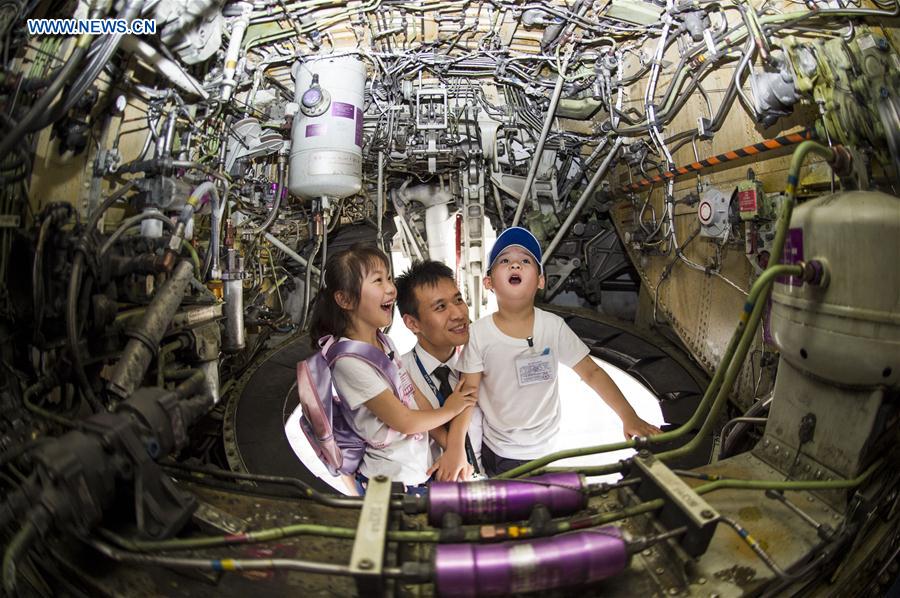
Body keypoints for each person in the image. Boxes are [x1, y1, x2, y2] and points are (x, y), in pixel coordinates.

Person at [455, 227, 662, 477]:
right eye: (505, 260)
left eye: (525, 260)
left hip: (548, 448)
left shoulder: (553, 327)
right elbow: (467, 396)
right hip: (501, 450)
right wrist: (455, 450)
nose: (515, 265)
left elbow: (592, 373)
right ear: (488, 282)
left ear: (541, 281)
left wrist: (629, 416)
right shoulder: (479, 335)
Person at [308, 244, 476, 491]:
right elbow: (405, 421)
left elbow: (415, 398)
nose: (390, 288)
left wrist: (452, 449)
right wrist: (451, 409)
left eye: (388, 278)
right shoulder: (347, 362)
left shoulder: (384, 342)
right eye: (377, 281)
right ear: (345, 299)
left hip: (418, 474)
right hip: (389, 484)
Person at [394, 260, 483, 481]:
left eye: (458, 300)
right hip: (426, 496)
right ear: (413, 324)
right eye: (440, 307)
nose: (458, 314)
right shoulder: (395, 376)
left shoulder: (482, 364)